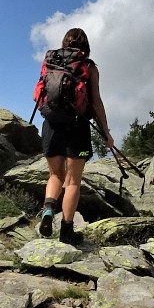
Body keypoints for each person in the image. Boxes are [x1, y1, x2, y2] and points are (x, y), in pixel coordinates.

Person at [38, 27, 118, 245]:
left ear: (65, 42)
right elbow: (95, 101)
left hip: (51, 125)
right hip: (77, 127)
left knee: (55, 175)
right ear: (86, 45)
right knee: (73, 182)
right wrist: (106, 133)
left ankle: (47, 209)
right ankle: (66, 231)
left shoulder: (49, 61)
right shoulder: (89, 67)